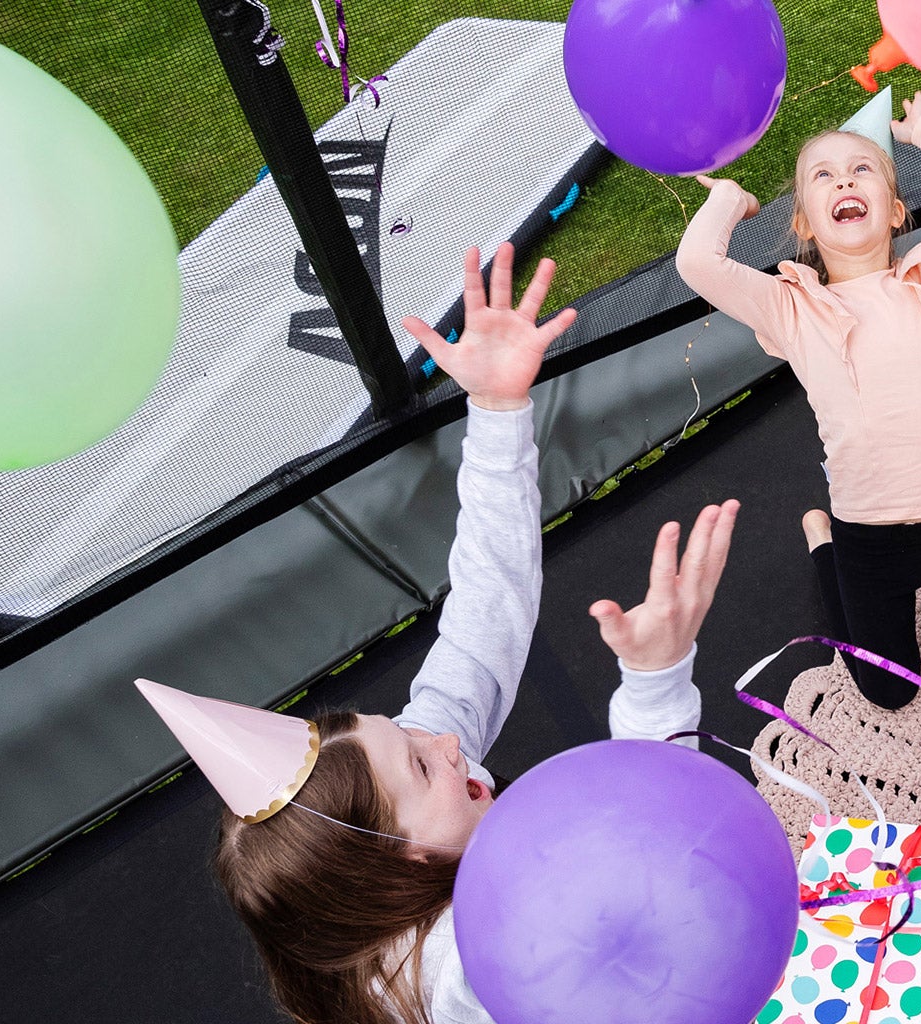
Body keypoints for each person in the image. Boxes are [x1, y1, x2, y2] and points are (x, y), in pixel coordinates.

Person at [136, 245, 745, 1024]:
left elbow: (484, 613)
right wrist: (657, 681)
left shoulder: (396, 817)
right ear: (399, 863)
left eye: (409, 734)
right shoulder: (477, 969)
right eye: (421, 764)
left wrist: (495, 413)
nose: (447, 744)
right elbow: (653, 871)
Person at [676, 80, 921, 709]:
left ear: (894, 211)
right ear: (806, 224)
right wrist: (729, 200)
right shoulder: (789, 307)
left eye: (862, 170)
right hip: (866, 536)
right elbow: (698, 263)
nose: (844, 182)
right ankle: (824, 550)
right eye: (824, 176)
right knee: (888, 693)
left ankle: (869, 562)